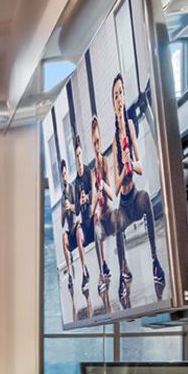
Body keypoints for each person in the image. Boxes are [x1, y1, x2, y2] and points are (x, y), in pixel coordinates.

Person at [109, 73, 165, 309]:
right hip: (123, 205)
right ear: (113, 105)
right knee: (115, 219)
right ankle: (123, 271)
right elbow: (114, 186)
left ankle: (154, 260)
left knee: (146, 200)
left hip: (136, 198)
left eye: (121, 92)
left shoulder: (131, 126)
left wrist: (131, 161)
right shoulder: (113, 142)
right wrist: (123, 170)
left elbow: (140, 166)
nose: (120, 98)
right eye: (116, 95)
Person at [56, 140, 93, 313]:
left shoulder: (72, 188)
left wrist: (71, 207)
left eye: (65, 174)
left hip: (77, 225)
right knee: (63, 236)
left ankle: (84, 271)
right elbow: (63, 222)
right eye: (61, 176)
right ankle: (70, 274)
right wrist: (64, 211)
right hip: (68, 229)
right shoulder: (63, 195)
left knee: (78, 231)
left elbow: (77, 210)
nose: (64, 178)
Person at [86, 116, 113, 310]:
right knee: (95, 223)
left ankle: (119, 266)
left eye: (98, 142)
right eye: (94, 143)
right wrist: (92, 203)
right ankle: (102, 269)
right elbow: (94, 202)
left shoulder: (104, 163)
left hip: (110, 211)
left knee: (101, 220)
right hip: (100, 217)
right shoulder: (93, 171)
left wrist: (103, 185)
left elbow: (111, 194)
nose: (96, 146)